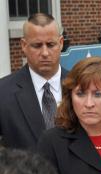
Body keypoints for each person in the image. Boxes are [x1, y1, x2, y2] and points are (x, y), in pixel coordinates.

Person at [0, 13, 67, 150]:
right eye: (37, 45)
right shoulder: (3, 93)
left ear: (60, 43)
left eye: (50, 44)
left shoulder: (79, 85)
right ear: (24, 45)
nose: (45, 53)